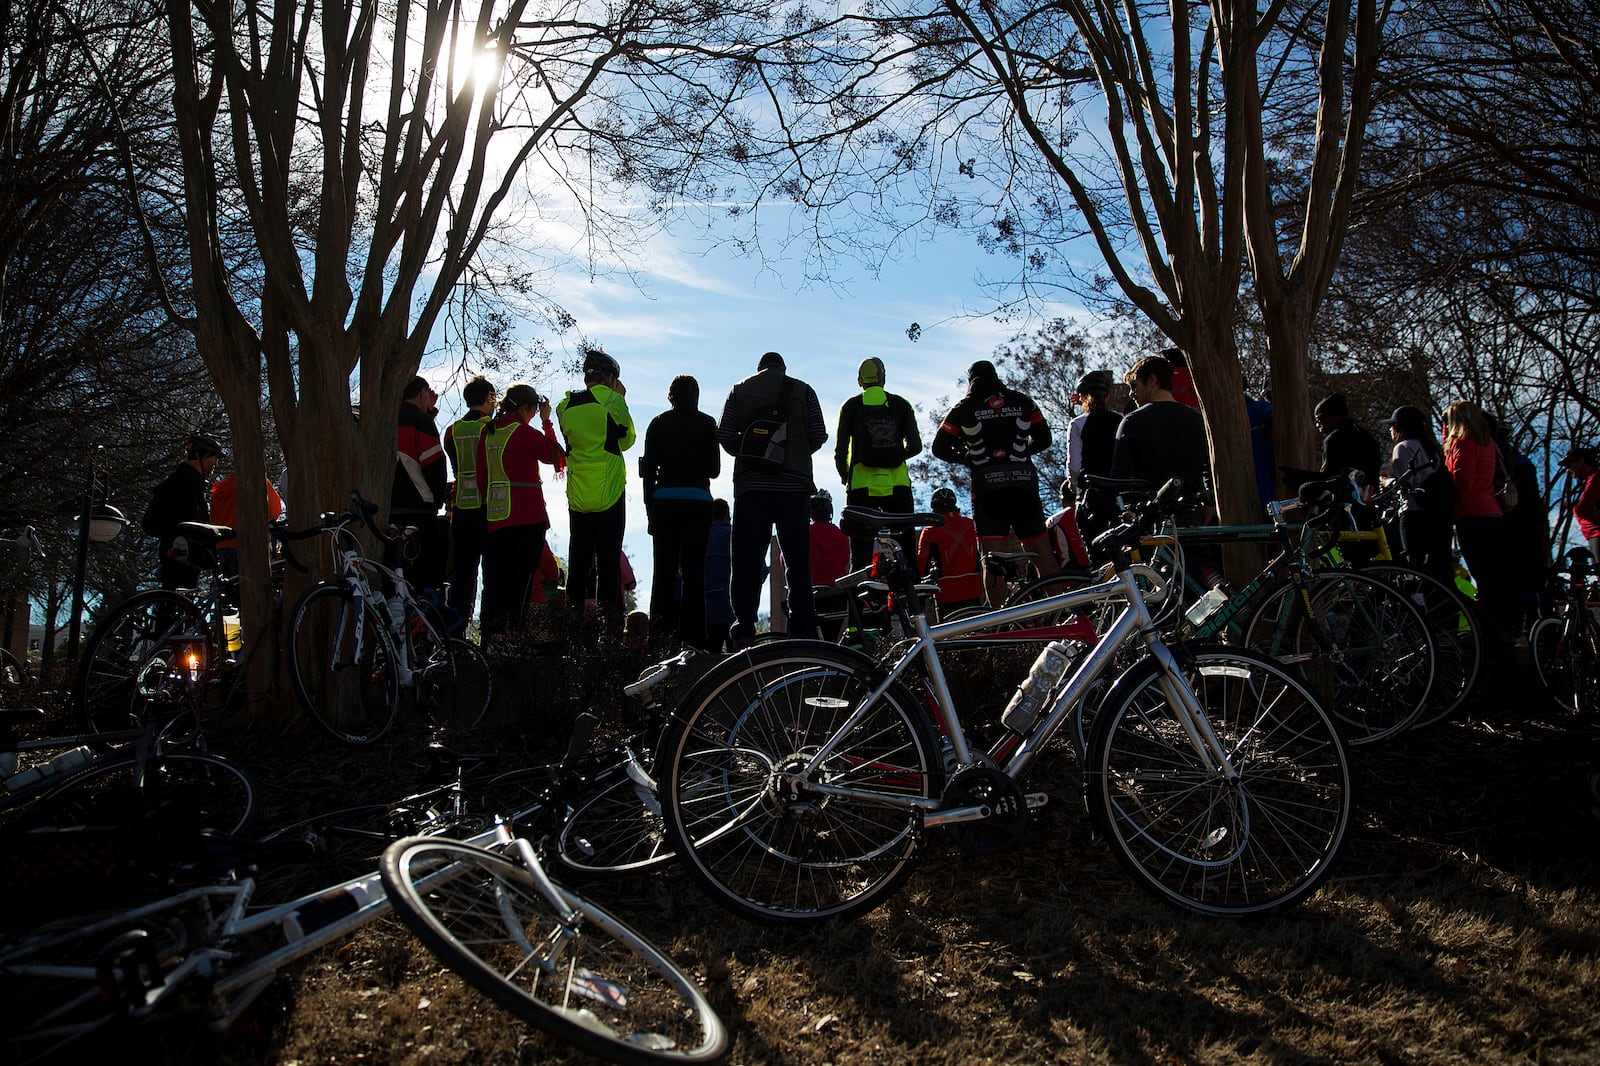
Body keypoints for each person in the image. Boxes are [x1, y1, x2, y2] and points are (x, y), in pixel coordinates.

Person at [717, 351, 828, 646]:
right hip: (794, 485)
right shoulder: (804, 390)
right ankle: (802, 629)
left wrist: (753, 452)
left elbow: (725, 433)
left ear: (759, 368)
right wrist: (793, 453)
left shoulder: (739, 390)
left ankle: (744, 628)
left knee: (747, 560)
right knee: (796, 560)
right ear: (783, 368)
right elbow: (818, 433)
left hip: (752, 485)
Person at [930, 359, 1059, 605]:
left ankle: (999, 622)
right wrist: (1021, 454)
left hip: (988, 486)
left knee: (991, 558)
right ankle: (1064, 615)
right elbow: (1044, 438)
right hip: (1023, 483)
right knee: (1043, 556)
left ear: (971, 382)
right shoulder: (1023, 401)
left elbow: (939, 448)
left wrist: (967, 458)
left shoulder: (964, 407)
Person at [474, 383, 564, 638]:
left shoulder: (488, 433)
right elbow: (555, 456)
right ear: (527, 408)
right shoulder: (522, 432)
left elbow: (483, 479)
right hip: (527, 518)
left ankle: (493, 638)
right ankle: (518, 638)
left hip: (496, 519)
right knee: (522, 583)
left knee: (495, 583)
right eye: (535, 410)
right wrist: (547, 423)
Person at [639, 375, 720, 649]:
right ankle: (695, 637)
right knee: (694, 573)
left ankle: (661, 638)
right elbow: (714, 470)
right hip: (698, 500)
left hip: (664, 501)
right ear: (696, 395)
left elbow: (648, 470)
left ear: (670, 396)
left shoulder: (658, 424)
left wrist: (650, 509)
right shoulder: (707, 423)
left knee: (663, 571)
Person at [555, 350, 636, 620]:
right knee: (608, 562)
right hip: (609, 490)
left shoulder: (565, 406)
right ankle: (608, 630)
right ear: (611, 377)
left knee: (578, 561)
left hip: (578, 493)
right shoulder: (612, 400)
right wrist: (620, 398)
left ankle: (573, 627)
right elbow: (627, 440)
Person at [834, 357, 923, 570]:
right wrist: (895, 457)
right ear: (883, 379)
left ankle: (862, 596)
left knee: (861, 554)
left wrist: (847, 477)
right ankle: (908, 597)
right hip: (898, 484)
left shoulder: (850, 406)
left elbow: (841, 451)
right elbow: (916, 446)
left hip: (860, 487)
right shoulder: (901, 404)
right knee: (906, 549)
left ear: (859, 381)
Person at [1443, 400, 1515, 633]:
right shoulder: (1487, 443)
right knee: (1495, 575)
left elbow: (1463, 481)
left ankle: (1487, 629)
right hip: (1492, 511)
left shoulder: (1463, 445)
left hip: (1471, 515)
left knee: (1481, 574)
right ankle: (1502, 624)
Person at [442, 375, 498, 628]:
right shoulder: (493, 427)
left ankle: (455, 634)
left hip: (461, 510)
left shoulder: (451, 431)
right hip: (490, 509)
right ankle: (489, 634)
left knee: (463, 576)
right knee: (492, 577)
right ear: (488, 398)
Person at [1384, 405, 1454, 585]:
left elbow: (1404, 484)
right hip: (1439, 514)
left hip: (1415, 513)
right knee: (1440, 567)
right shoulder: (1432, 451)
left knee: (1415, 569)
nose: (1390, 429)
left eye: (1393, 425)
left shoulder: (1402, 448)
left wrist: (1385, 482)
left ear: (1400, 427)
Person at [143, 435, 224, 589]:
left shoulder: (178, 479)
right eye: (214, 458)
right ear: (202, 456)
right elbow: (192, 521)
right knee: (179, 603)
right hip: (184, 551)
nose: (216, 464)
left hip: (172, 548)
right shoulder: (190, 483)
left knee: (171, 602)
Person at [1282, 393, 1382, 517]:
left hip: (1343, 507)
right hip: (1369, 504)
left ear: (1329, 417)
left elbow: (1329, 479)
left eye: (1319, 420)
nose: (1318, 426)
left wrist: (1297, 476)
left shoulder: (1334, 439)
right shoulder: (1367, 436)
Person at [393, 375, 449, 592]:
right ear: (421, 393)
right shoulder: (421, 421)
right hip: (419, 509)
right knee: (426, 577)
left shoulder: (387, 418)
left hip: (388, 509)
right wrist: (438, 497)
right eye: (428, 392)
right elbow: (433, 463)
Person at [1065, 370, 1121, 546]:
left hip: (1092, 496)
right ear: (1107, 396)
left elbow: (1074, 466)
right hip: (1119, 494)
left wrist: (1072, 484)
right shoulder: (1121, 420)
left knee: (1096, 551)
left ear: (1081, 397)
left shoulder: (1077, 424)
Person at [916, 487, 983, 610]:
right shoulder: (971, 524)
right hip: (974, 588)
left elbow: (922, 564)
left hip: (946, 592)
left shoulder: (930, 531)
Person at [209, 468, 284, 578]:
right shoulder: (258, 481)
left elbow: (213, 520)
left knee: (229, 587)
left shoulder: (221, 489)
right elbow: (274, 511)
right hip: (247, 546)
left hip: (222, 548)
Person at [1559, 447, 1600, 567]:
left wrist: (1576, 510)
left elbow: (1582, 509)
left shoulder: (1596, 478)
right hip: (1593, 536)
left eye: (1569, 464)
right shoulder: (1591, 480)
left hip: (1597, 534)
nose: (1568, 470)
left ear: (1581, 461)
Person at [703, 499, 734, 650]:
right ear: (727, 515)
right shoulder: (734, 536)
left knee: (709, 655)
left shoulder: (699, 537)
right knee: (741, 657)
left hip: (704, 608)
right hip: (733, 604)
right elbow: (759, 569)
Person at [807, 490, 851, 587]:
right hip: (838, 588)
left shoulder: (802, 534)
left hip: (810, 588)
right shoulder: (843, 535)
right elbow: (846, 562)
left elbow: (785, 559)